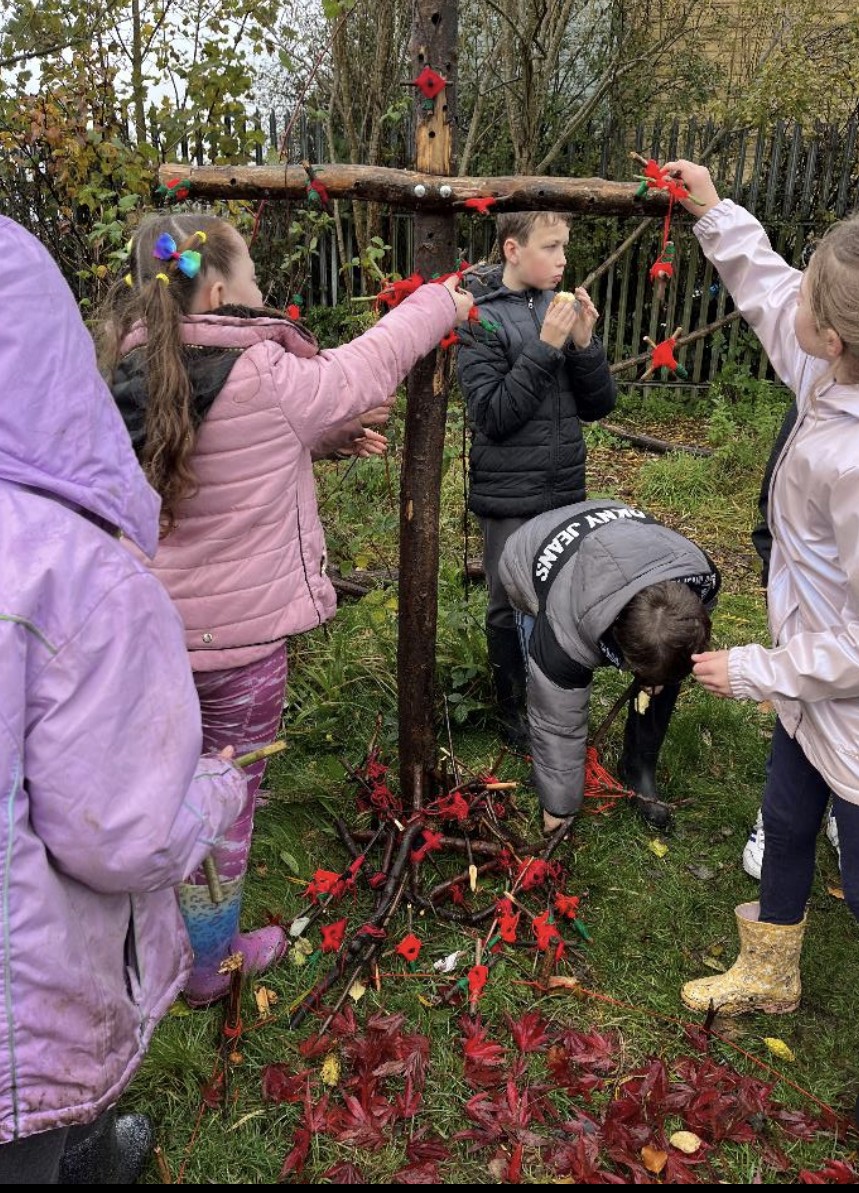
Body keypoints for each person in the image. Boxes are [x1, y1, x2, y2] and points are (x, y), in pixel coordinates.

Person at [95, 212, 472, 1008]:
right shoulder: (262, 372)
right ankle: (206, 965)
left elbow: (203, 453)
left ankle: (135, 948)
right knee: (226, 803)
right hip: (242, 649)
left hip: (143, 648)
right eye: (256, 277)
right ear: (225, 290)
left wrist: (312, 443)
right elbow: (364, 370)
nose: (262, 292)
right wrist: (438, 302)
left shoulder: (111, 371)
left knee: (151, 793)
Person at [0, 215, 247, 1182]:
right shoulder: (68, 572)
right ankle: (69, 1152)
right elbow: (120, 830)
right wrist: (214, 795)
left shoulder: (141, 355)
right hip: (20, 1011)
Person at [663, 160, 859, 1031]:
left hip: (846, 701)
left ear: (840, 336)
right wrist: (713, 213)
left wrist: (754, 668)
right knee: (784, 818)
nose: (798, 303)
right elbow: (769, 291)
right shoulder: (828, 375)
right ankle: (771, 974)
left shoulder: (851, 462)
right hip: (809, 686)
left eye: (815, 297)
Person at [457, 212, 617, 752]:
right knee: (508, 601)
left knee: (557, 601)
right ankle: (510, 711)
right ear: (512, 249)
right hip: (508, 494)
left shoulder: (559, 308)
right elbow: (495, 416)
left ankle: (553, 698)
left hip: (564, 486)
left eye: (565, 247)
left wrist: (585, 344)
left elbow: (598, 405)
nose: (563, 259)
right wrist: (546, 347)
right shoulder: (478, 319)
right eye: (551, 247)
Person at [498, 499, 718, 833]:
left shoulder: (695, 576)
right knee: (544, 685)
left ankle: (637, 768)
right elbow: (560, 724)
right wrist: (559, 806)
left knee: (665, 658)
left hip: (625, 539)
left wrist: (657, 675)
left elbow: (678, 642)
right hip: (529, 557)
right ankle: (518, 725)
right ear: (617, 641)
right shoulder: (564, 633)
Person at [742, 399, 840, 878]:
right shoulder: (815, 397)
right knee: (802, 696)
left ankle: (843, 808)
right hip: (808, 606)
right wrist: (781, 580)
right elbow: (775, 502)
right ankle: (781, 815)